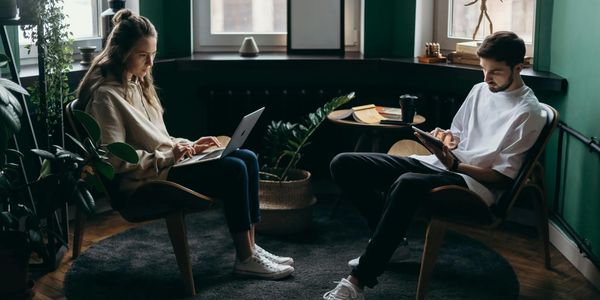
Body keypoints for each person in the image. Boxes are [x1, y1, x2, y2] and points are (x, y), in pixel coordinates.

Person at [323, 31, 546, 299]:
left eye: (495, 72)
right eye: (483, 70)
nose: (486, 79)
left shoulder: (528, 113)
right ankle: (393, 245)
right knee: (344, 164)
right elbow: (459, 132)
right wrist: (444, 138)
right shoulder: (480, 90)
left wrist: (454, 165)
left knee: (406, 183)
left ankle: (358, 281)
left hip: (473, 184)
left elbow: (501, 179)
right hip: (442, 165)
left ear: (518, 68)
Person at [76, 9, 294, 280]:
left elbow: (159, 139)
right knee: (234, 169)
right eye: (143, 55)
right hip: (148, 182)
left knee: (247, 156)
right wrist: (168, 156)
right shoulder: (106, 97)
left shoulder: (137, 83)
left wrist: (191, 145)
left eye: (153, 54)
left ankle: (250, 248)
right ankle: (245, 257)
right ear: (121, 53)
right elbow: (115, 161)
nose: (150, 63)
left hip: (166, 167)